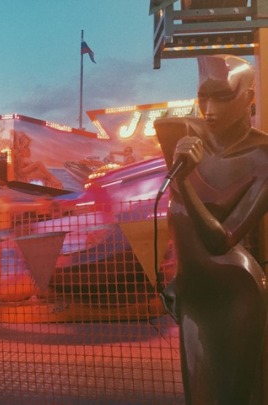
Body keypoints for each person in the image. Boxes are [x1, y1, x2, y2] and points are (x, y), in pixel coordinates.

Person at [155, 54, 268, 405]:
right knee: (199, 394)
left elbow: (221, 240)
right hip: (194, 292)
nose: (209, 109)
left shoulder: (263, 157)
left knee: (232, 397)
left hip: (235, 291)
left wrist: (184, 179)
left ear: (249, 98)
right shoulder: (183, 137)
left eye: (222, 97)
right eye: (203, 97)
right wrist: (178, 278)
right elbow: (180, 223)